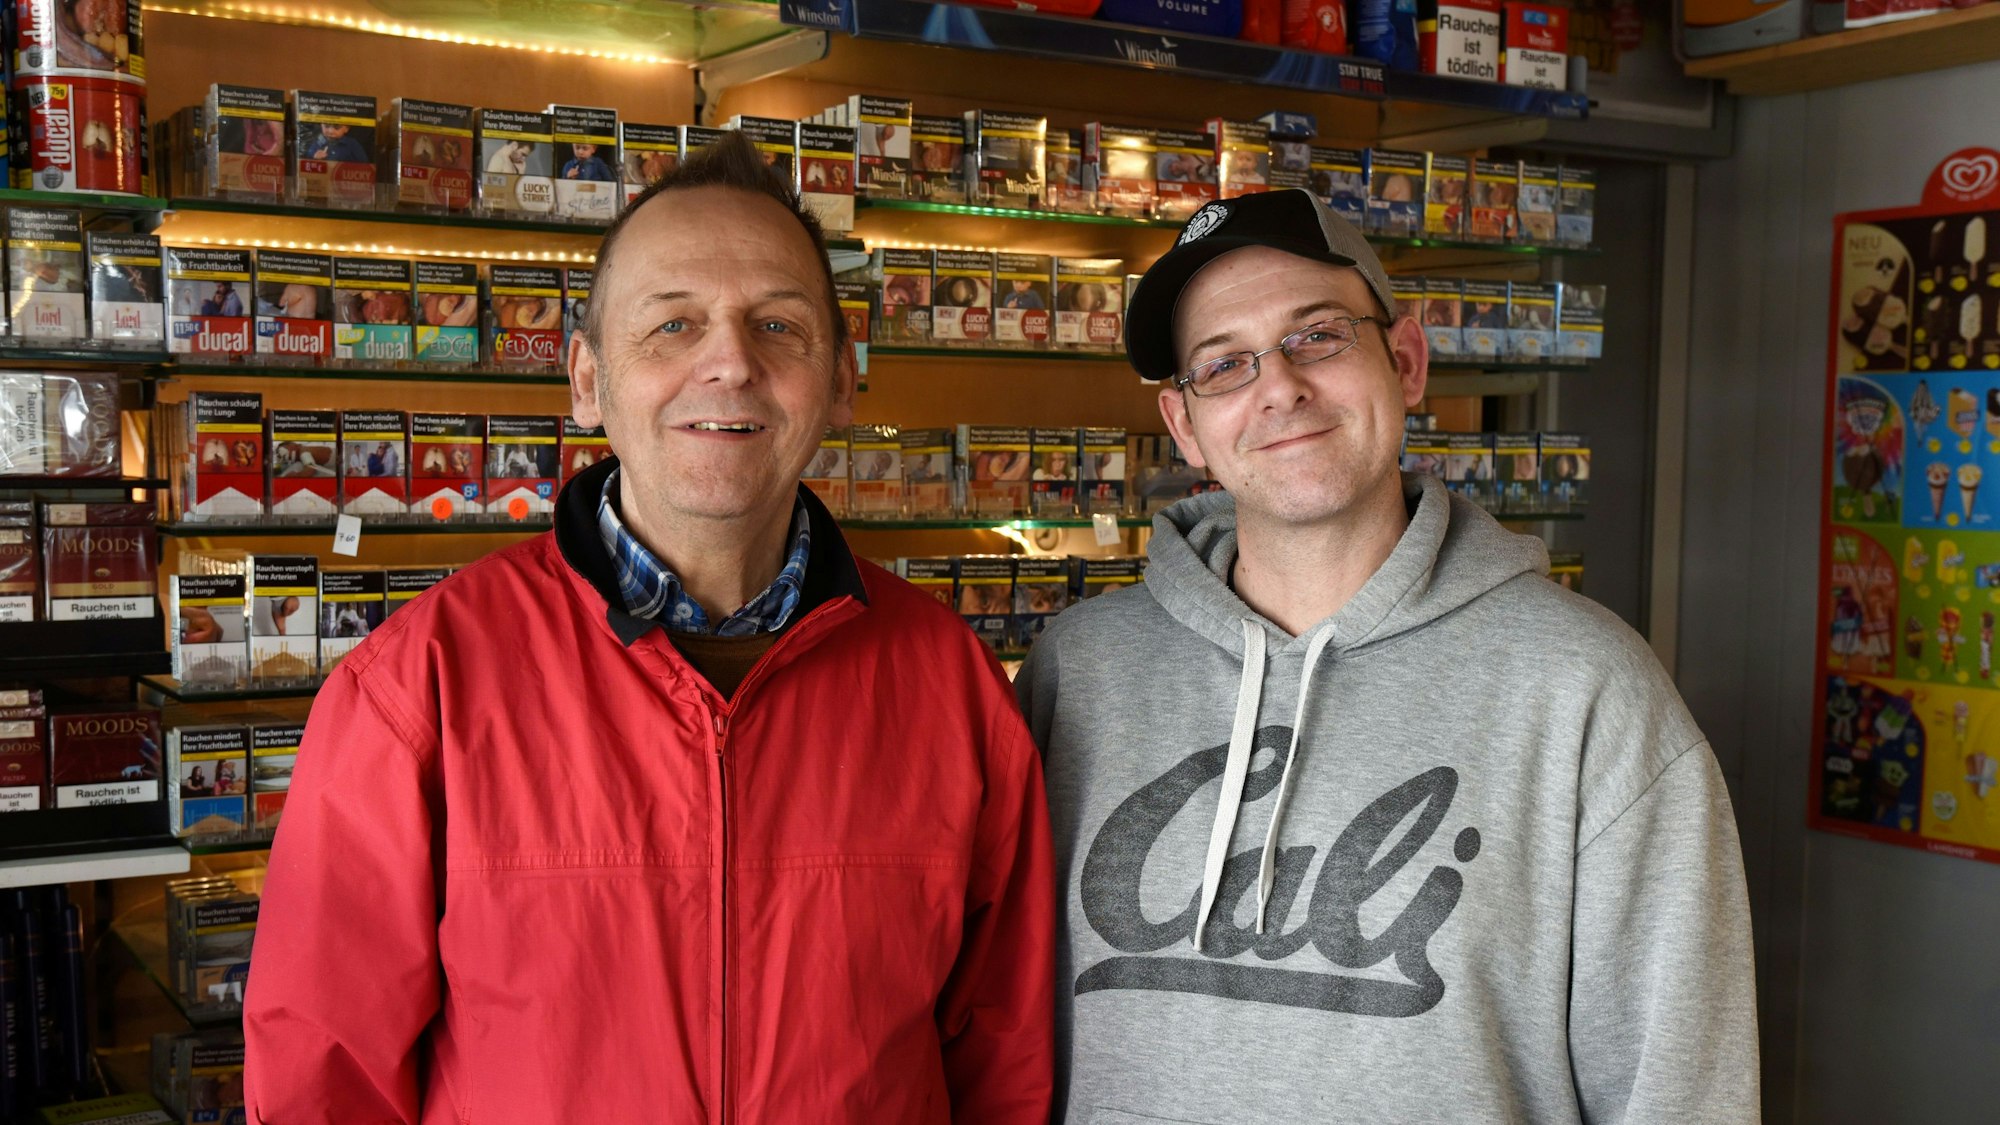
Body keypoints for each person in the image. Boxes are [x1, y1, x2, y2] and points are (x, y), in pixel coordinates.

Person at [244, 130, 1055, 1121]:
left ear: (843, 381)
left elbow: (1002, 1061)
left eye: (778, 325)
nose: (730, 363)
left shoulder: (951, 685)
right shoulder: (419, 686)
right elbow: (325, 1079)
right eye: (672, 325)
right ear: (586, 381)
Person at [1016, 189, 1758, 1123]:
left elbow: (1681, 1089)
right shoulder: (1079, 672)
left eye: (1319, 335)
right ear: (1185, 424)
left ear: (1406, 361)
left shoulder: (1587, 688)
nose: (1280, 387)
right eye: (1225, 363)